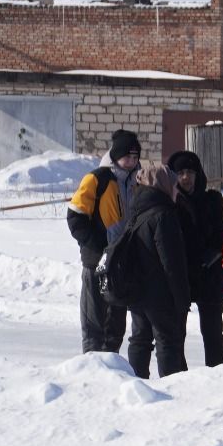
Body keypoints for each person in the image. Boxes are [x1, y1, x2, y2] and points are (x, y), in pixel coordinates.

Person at [67, 129, 142, 353]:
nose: (131, 162)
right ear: (116, 156)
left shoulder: (138, 182)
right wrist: (96, 247)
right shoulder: (97, 178)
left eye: (135, 157)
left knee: (115, 325)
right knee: (94, 324)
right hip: (98, 261)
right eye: (127, 157)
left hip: (121, 264)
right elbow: (75, 217)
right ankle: (92, 369)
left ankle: (112, 367)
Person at [123, 165, 191, 379]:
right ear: (163, 185)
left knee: (140, 338)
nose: (177, 190)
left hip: (137, 288)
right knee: (167, 338)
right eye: (174, 185)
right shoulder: (163, 214)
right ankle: (170, 386)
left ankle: (137, 383)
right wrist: (182, 297)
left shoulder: (136, 208)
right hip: (159, 292)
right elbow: (172, 261)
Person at [166, 150, 223, 367]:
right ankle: (178, 378)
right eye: (181, 172)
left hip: (209, 274)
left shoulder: (212, 199)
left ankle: (216, 375)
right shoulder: (168, 202)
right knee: (175, 335)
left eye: (190, 172)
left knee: (213, 335)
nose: (186, 177)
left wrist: (210, 257)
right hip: (180, 275)